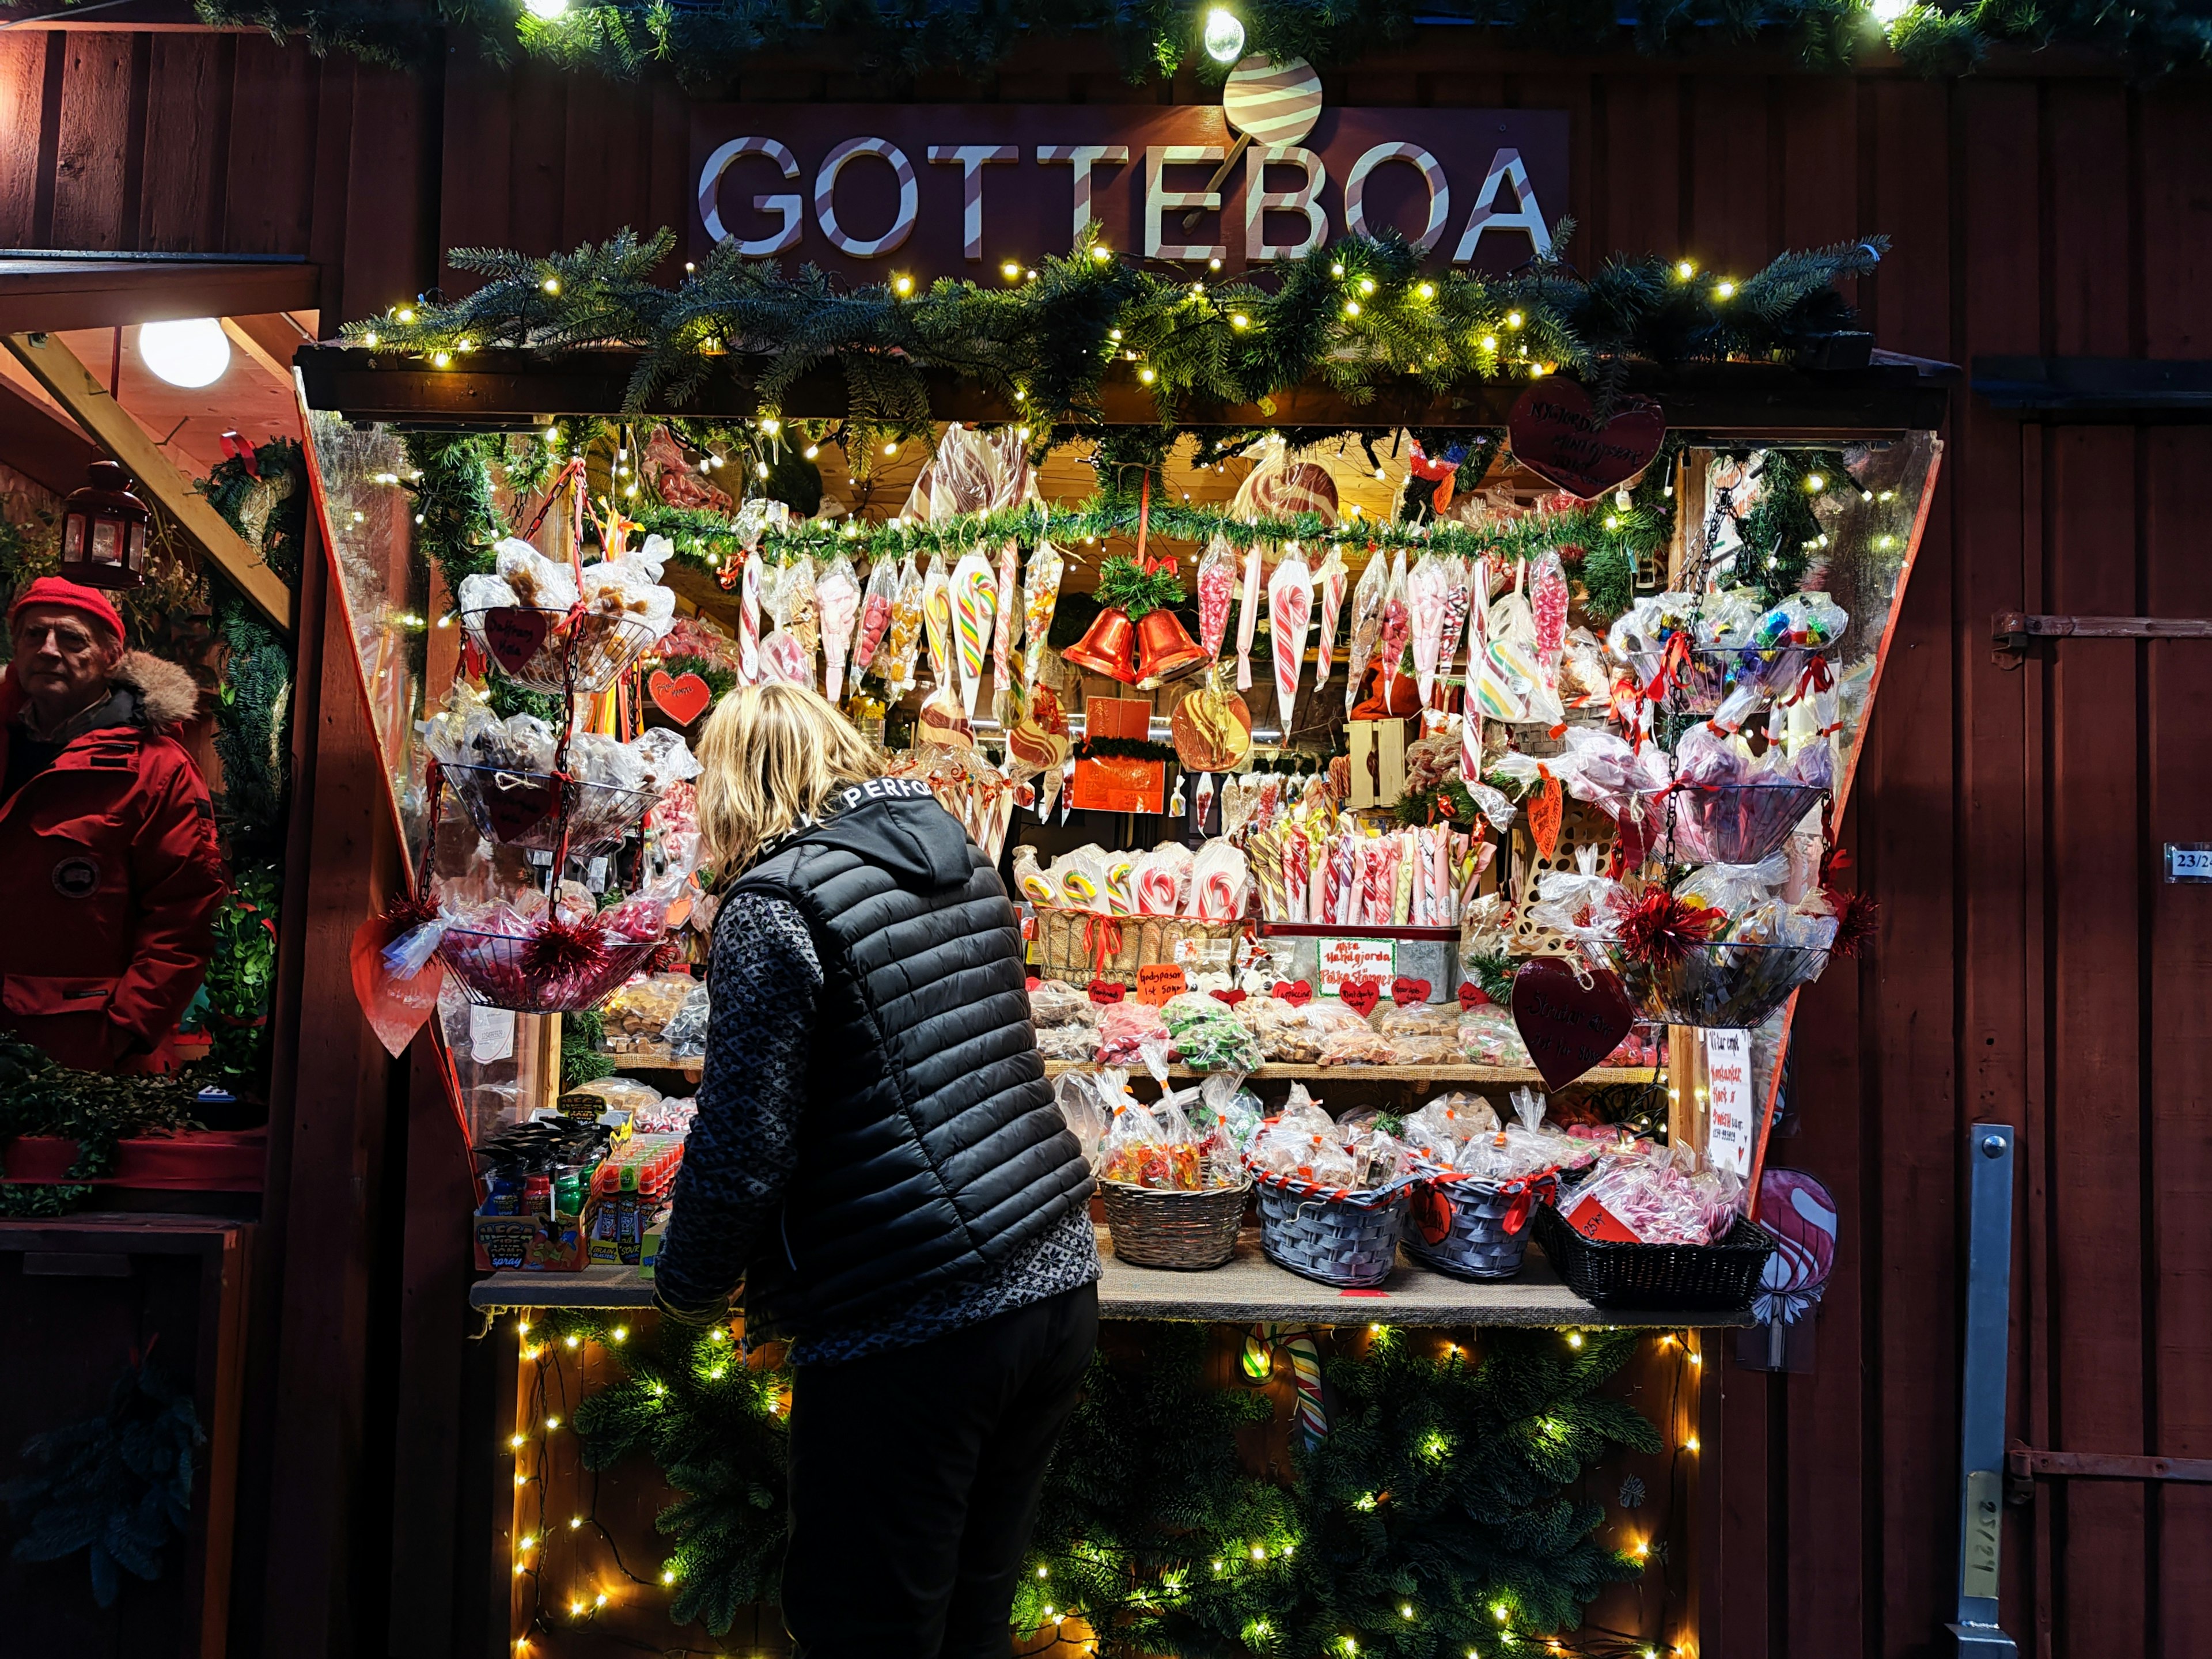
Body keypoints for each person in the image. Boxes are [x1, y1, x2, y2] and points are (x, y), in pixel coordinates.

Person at [653, 681, 1098, 1659]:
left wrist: (686, 1285)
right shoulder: (959, 853)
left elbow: (743, 1144)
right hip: (1055, 1280)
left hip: (921, 1314)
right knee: (972, 1619)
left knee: (868, 1628)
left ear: (733, 791)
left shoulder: (773, 904)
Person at [0, 575, 224, 1071]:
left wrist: (123, 1033)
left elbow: (185, 918)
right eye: (34, 635)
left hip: (82, 1056)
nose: (48, 650)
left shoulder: (156, 770)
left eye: (71, 638)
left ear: (110, 657)